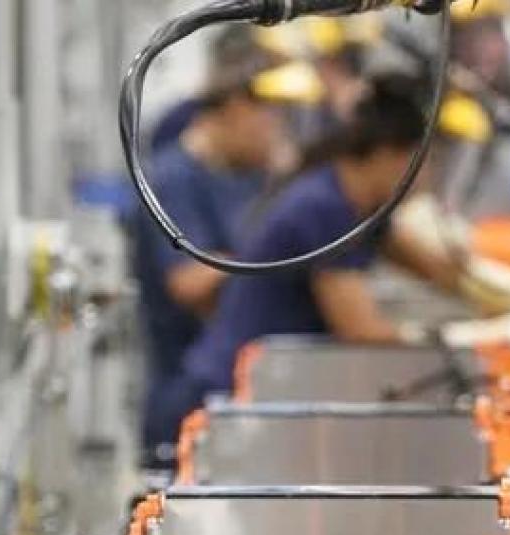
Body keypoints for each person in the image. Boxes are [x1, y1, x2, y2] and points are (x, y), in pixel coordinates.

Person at [149, 74, 472, 448]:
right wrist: (463, 339)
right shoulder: (324, 208)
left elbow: (444, 273)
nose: (426, 180)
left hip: (261, 391)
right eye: (425, 166)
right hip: (230, 395)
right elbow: (362, 330)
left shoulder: (357, 207)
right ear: (389, 157)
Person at [133, 26, 289, 467]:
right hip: (187, 394)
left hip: (237, 386)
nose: (277, 130)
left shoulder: (250, 177)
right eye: (272, 115)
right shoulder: (171, 179)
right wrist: (275, 256)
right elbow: (189, 283)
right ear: (238, 108)